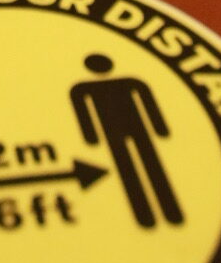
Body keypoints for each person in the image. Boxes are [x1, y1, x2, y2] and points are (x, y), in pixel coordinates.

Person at [69, 53, 184, 229]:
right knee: (139, 169)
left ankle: (162, 213)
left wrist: (91, 137)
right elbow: (83, 112)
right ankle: (155, 214)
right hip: (119, 134)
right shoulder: (87, 88)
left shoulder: (123, 83)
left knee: (141, 168)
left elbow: (147, 103)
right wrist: (160, 129)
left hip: (132, 132)